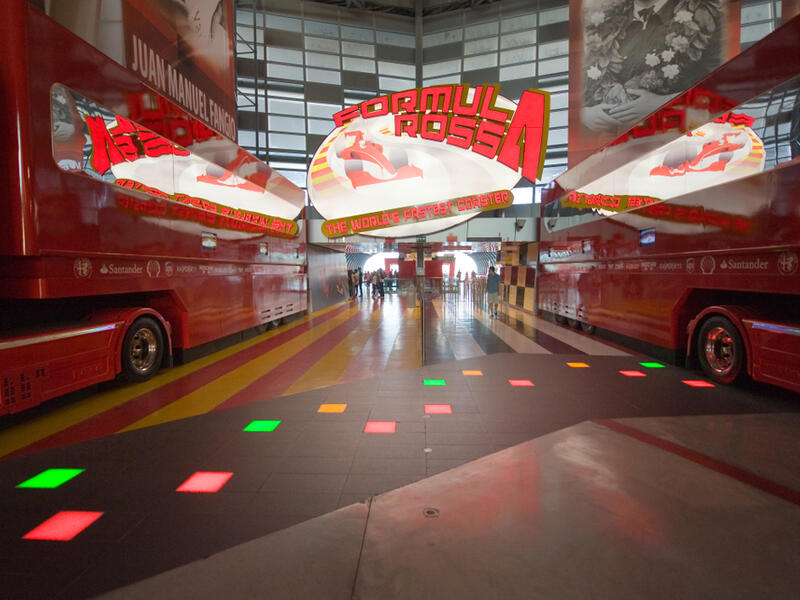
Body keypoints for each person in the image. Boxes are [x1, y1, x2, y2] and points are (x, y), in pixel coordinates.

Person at [582, 0, 723, 135]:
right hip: (617, 148)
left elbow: (722, 90)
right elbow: (582, 92)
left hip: (680, 142)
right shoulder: (602, 25)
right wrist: (585, 115)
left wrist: (663, 104)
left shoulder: (707, 17)